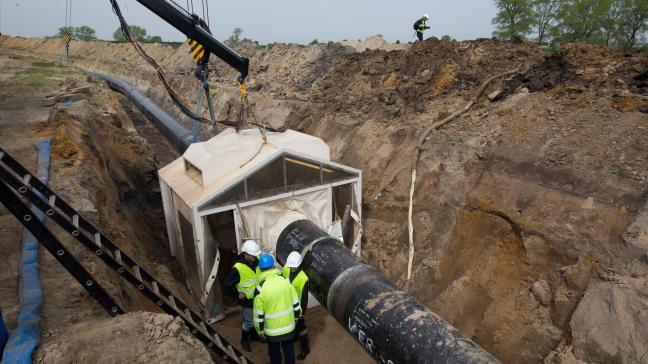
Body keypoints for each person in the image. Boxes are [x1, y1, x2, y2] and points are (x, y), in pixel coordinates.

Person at [253, 254, 301, 364]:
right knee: (288, 350)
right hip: (289, 327)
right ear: (274, 266)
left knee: (274, 352)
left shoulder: (260, 289)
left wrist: (260, 330)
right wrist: (297, 316)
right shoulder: (286, 281)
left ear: (260, 269)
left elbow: (258, 314)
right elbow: (296, 303)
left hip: (271, 331)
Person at [223, 240, 262, 352]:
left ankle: (254, 337)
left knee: (256, 318)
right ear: (245, 254)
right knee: (249, 321)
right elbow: (226, 285)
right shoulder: (238, 268)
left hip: (258, 298)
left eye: (256, 254)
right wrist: (237, 295)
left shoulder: (256, 260)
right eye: (253, 255)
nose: (255, 256)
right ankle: (244, 340)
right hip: (247, 301)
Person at [282, 251, 310, 360]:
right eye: (291, 266)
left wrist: (302, 313)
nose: (292, 268)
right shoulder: (286, 268)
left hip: (297, 307)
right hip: (287, 304)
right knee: (291, 325)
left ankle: (305, 349)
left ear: (299, 264)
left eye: (295, 266)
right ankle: (294, 336)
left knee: (301, 328)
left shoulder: (303, 279)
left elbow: (304, 298)